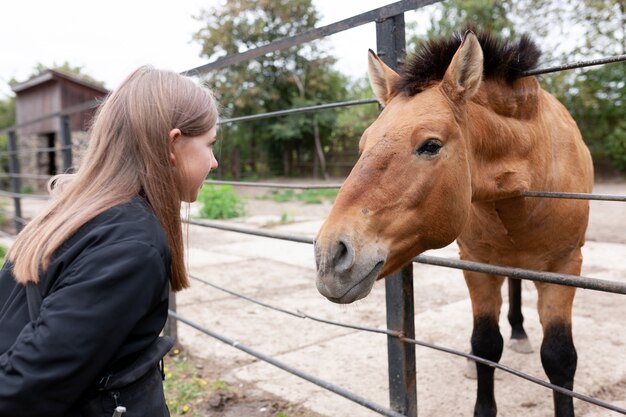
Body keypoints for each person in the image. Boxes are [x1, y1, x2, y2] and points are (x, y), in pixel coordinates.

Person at [0, 65, 219, 416]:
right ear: (174, 144)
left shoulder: (75, 212)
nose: (214, 162)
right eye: (209, 145)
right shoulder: (132, 247)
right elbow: (25, 387)